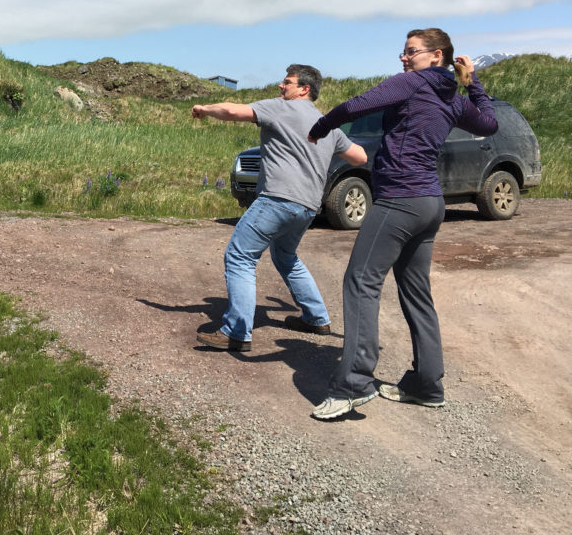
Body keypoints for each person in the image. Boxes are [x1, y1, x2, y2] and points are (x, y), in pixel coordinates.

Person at [307, 29, 498, 420]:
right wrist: (474, 83)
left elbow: (358, 104)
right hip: (430, 204)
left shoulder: (414, 82)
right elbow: (490, 124)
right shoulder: (454, 97)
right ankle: (427, 385)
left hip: (400, 200)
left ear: (436, 55)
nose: (404, 58)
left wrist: (320, 127)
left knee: (361, 282)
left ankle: (354, 384)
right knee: (416, 292)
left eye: (411, 52)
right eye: (404, 52)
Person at [193, 65, 367, 352]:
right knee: (285, 256)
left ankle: (236, 332)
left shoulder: (280, 109)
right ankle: (316, 318)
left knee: (239, 257)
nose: (280, 87)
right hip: (307, 207)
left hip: (276, 199)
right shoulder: (329, 126)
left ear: (304, 89)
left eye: (287, 82)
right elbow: (359, 156)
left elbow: (235, 111)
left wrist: (205, 108)